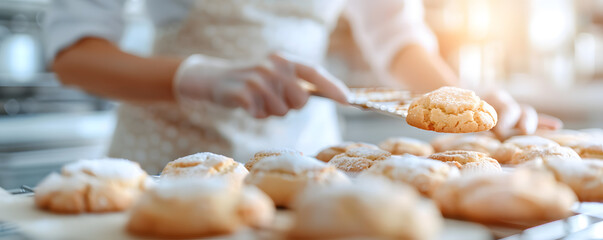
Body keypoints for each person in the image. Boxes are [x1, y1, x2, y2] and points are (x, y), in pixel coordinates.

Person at [45, 0, 560, 173]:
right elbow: (73, 56)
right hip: (167, 160)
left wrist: (458, 103)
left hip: (308, 161)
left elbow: (395, 36)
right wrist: (199, 76)